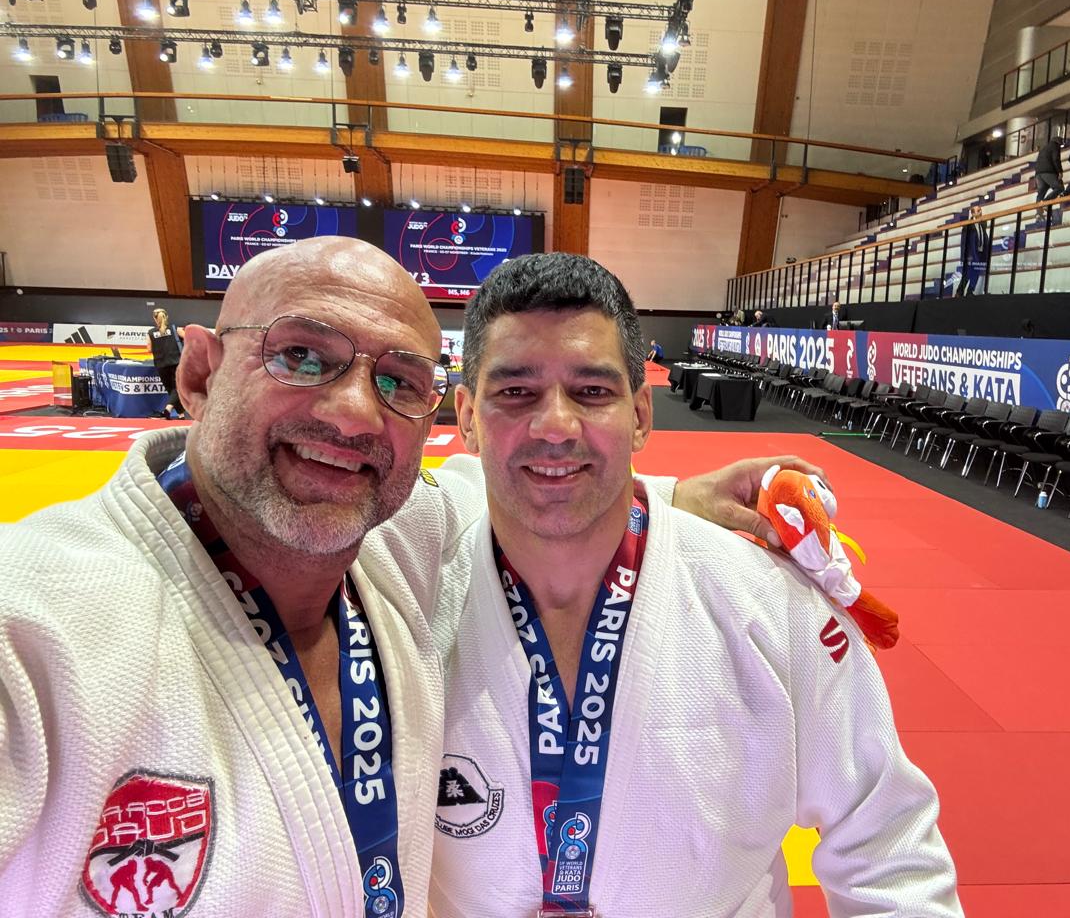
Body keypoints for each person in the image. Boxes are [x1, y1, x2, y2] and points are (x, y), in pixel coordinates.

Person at [0, 237, 823, 916]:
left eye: (398, 382)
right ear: (199, 374)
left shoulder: (395, 541)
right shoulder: (35, 626)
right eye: (301, 355)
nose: (355, 412)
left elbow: (517, 486)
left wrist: (673, 497)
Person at [436, 253, 961, 917]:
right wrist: (674, 493)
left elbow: (889, 850)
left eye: (592, 391)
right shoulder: (411, 587)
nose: (556, 426)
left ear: (641, 416)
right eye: (516, 392)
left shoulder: (770, 603)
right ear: (466, 416)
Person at [147, 307, 185, 419]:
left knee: (170, 389)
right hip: (176, 362)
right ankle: (168, 408)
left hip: (160, 364)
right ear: (166, 317)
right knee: (178, 388)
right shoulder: (174, 328)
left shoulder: (150, 332)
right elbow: (189, 338)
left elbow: (149, 349)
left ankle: (180, 415)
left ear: (154, 319)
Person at [958, 204, 990, 295]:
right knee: (968, 274)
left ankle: (970, 291)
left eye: (980, 210)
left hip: (980, 253)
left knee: (976, 272)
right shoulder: (967, 225)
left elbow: (984, 238)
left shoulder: (982, 225)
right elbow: (964, 242)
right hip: (970, 254)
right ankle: (959, 292)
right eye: (978, 211)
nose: (980, 212)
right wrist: (964, 256)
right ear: (972, 213)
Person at [1034, 136, 1066, 216]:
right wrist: (1060, 171)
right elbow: (1056, 159)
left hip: (1038, 173)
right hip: (1048, 172)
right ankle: (1046, 202)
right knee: (1060, 187)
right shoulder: (1055, 146)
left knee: (1041, 192)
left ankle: (1038, 213)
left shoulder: (1044, 148)